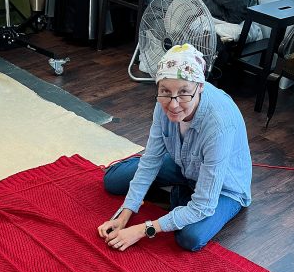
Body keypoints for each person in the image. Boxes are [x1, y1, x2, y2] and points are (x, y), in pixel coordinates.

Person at [97, 43, 252, 252]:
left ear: (201, 86)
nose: (174, 104)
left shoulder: (219, 125)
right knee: (113, 181)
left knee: (190, 238)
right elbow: (151, 159)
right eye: (165, 91)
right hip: (184, 164)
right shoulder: (165, 100)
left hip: (225, 188)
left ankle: (182, 194)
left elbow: (204, 205)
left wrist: (143, 229)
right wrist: (124, 214)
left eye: (184, 93)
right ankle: (182, 193)